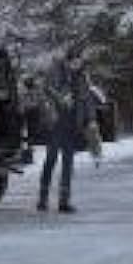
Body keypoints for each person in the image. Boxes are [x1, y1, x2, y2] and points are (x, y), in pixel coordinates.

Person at [38, 46, 94, 214]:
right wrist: (61, 97)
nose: (77, 64)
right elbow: (46, 92)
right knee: (51, 160)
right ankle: (42, 198)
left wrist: (90, 119)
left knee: (68, 163)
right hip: (55, 123)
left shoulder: (82, 76)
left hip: (72, 124)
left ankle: (64, 201)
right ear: (69, 60)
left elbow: (87, 99)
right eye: (75, 61)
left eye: (79, 61)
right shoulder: (56, 71)